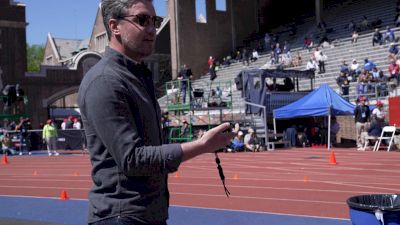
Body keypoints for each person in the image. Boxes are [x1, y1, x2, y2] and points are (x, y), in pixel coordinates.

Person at [77, 1, 235, 225]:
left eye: (155, 21)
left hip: (146, 215)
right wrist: (201, 146)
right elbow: (132, 159)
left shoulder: (137, 76)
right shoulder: (105, 82)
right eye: (142, 20)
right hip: (121, 217)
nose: (153, 29)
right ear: (115, 26)